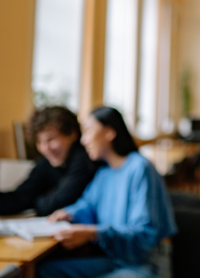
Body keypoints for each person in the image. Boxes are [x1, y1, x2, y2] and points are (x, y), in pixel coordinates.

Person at [38, 106, 177, 278]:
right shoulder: (105, 173)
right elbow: (87, 205)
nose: (83, 140)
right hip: (117, 260)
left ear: (109, 132)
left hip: (145, 265)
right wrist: (69, 214)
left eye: (88, 131)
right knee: (46, 271)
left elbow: (144, 234)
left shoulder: (140, 168)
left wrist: (94, 233)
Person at [0, 106, 97, 216]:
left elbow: (55, 204)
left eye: (51, 140)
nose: (45, 148)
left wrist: (34, 201)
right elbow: (22, 196)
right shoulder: (46, 162)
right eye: (39, 142)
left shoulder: (84, 159)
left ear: (72, 134)